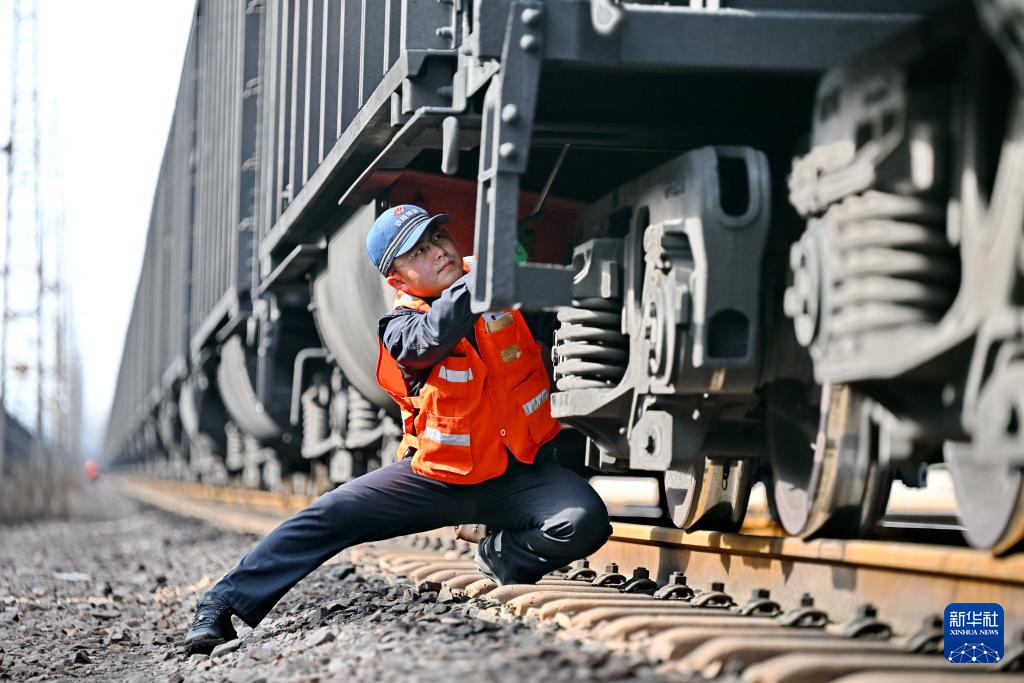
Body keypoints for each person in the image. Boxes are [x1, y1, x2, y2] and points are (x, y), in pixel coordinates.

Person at [183, 204, 612, 654]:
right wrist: (485, 274)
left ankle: (503, 556)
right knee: (332, 513)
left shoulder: (498, 297)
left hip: (519, 475)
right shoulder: (401, 328)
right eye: (418, 252)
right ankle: (220, 604)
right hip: (439, 481)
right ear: (398, 281)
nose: (438, 251)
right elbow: (431, 336)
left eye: (438, 238)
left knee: (584, 522)